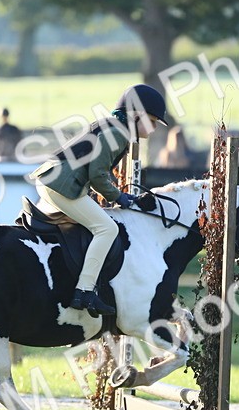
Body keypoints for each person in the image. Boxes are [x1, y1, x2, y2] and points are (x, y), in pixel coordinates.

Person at [29, 84, 167, 316]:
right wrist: (120, 197)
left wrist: (118, 193)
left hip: (52, 180)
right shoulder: (118, 134)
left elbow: (98, 169)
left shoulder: (112, 127)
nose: (153, 129)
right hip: (61, 186)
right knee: (107, 229)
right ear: (136, 115)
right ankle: (84, 291)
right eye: (152, 121)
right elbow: (97, 175)